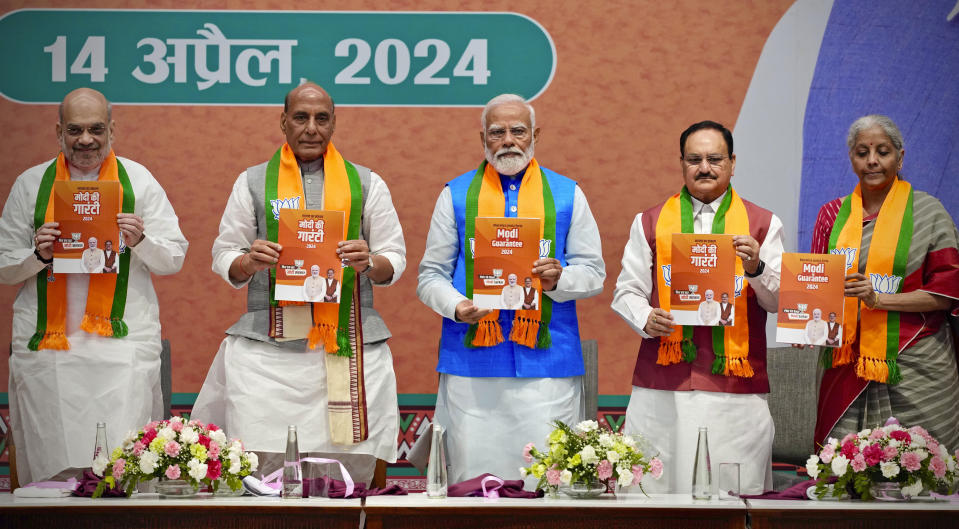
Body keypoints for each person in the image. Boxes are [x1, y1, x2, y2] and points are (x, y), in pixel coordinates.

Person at [191, 82, 406, 485]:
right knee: (262, 466)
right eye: (301, 118)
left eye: (321, 119)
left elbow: (394, 258)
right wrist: (248, 261)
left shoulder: (366, 182)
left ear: (334, 124)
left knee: (345, 476)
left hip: (347, 338)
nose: (311, 128)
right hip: (269, 345)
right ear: (283, 122)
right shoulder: (253, 181)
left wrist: (369, 262)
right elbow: (224, 254)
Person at [0, 88, 188, 484]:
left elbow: (174, 258)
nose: (86, 139)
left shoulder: (138, 181)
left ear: (112, 130)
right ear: (58, 132)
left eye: (96, 129)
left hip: (122, 349)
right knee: (51, 464)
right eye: (75, 130)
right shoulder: (31, 184)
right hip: (49, 351)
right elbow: (4, 267)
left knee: (121, 466)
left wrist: (140, 241)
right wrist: (38, 254)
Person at [417, 94, 605, 484]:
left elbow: (594, 273)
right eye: (497, 132)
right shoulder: (455, 193)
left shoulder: (568, 193)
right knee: (474, 483)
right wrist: (457, 306)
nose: (508, 140)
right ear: (482, 138)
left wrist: (559, 280)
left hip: (547, 366)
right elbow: (430, 275)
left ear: (534, 134)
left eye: (517, 131)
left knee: (547, 484)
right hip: (472, 365)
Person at [611, 120, 783, 495]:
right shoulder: (650, 222)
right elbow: (626, 292)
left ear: (733, 163)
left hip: (734, 385)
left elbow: (778, 303)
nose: (704, 167)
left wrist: (756, 268)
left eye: (714, 158)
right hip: (663, 386)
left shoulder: (763, 224)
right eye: (694, 159)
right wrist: (645, 317)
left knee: (732, 492)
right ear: (682, 164)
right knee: (654, 492)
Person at [812, 115, 959, 451]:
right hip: (847, 361)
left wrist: (878, 299)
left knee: (928, 471)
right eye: (862, 152)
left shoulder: (929, 213)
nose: (872, 160)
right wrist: (806, 324)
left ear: (900, 157)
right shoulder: (831, 215)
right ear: (852, 158)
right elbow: (818, 286)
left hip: (919, 362)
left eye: (883, 151)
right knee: (846, 470)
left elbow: (946, 295)